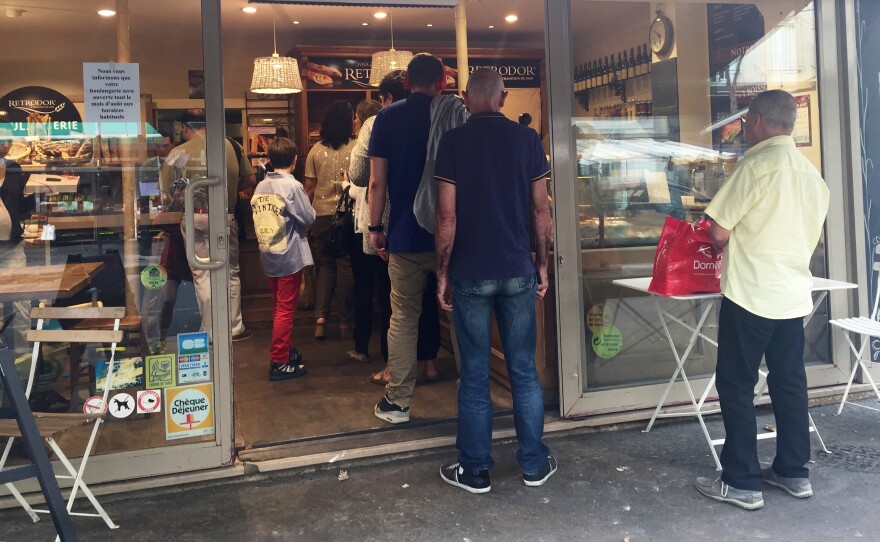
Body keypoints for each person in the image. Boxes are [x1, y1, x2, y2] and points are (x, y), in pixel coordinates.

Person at [696, 90, 830, 510]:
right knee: (789, 384)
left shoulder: (755, 166)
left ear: (755, 120)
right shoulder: (811, 175)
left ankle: (740, 480)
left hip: (751, 293)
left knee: (737, 384)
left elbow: (717, 231)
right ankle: (793, 471)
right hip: (792, 295)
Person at [433, 69, 555, 493]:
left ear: (466, 100)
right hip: (518, 269)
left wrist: (443, 272)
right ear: (503, 98)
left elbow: (447, 216)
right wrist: (541, 264)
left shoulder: (453, 143)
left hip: (470, 271)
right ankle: (534, 464)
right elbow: (541, 212)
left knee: (474, 373)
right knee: (523, 369)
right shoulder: (526, 141)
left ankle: (475, 469)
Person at [368, 54, 458, 424]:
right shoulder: (453, 115)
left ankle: (399, 402)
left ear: (405, 80)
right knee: (462, 313)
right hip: (450, 235)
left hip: (405, 234)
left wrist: (376, 229)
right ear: (442, 82)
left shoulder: (387, 117)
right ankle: (472, 398)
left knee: (404, 316)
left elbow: (376, 181)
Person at [348, 78, 443, 385]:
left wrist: (375, 228)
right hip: (442, 223)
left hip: (394, 223)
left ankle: (396, 377)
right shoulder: (447, 114)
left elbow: (364, 177)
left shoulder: (378, 121)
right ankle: (431, 364)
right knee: (435, 298)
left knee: (398, 306)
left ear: (390, 94)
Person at [159, 109, 256, 341]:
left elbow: (166, 196)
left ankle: (211, 331)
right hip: (225, 215)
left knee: (203, 273)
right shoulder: (232, 146)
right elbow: (250, 179)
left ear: (185, 127)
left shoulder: (177, 153)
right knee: (230, 272)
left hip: (195, 216)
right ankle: (234, 328)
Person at [251, 138, 315, 381]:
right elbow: (308, 217)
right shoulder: (292, 187)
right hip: (288, 254)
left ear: (269, 159)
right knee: (286, 308)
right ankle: (279, 360)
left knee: (279, 304)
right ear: (295, 160)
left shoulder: (260, 187)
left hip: (268, 252)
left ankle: (287, 350)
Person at [303, 101, 357, 341]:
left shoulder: (315, 151)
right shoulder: (356, 148)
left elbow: (309, 188)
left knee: (325, 264)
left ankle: (321, 318)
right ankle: (345, 321)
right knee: (346, 265)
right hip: (347, 215)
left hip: (321, 215)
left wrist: (305, 219)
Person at [0, 128, 32, 354]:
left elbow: (18, 208)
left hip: (11, 246)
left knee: (21, 303)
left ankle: (23, 361)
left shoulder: (13, 169)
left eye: (7, 141)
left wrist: (36, 199)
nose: (6, 145)